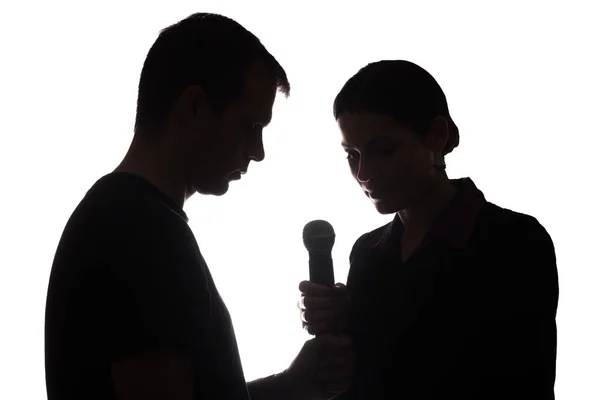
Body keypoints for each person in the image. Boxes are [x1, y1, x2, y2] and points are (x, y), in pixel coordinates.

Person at [45, 13, 354, 400]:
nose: (257, 153)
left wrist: (291, 385)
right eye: (249, 127)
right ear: (193, 107)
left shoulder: (123, 219)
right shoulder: (142, 231)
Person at [298, 60, 559, 399]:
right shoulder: (367, 253)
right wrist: (341, 333)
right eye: (352, 155)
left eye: (383, 150)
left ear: (436, 134)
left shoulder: (515, 242)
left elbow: (523, 385)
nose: (363, 173)